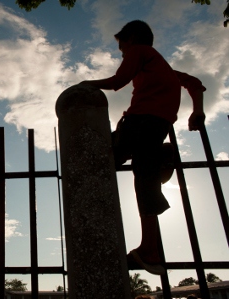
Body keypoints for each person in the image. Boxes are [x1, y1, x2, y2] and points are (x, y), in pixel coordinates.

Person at [80, 20, 206, 275]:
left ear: (133, 39)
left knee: (102, 160)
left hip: (139, 122)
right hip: (159, 125)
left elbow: (118, 80)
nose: (123, 54)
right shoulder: (165, 69)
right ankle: (150, 248)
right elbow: (194, 82)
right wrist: (197, 111)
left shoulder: (140, 52)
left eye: (122, 48)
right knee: (144, 174)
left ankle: (149, 249)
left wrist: (85, 84)